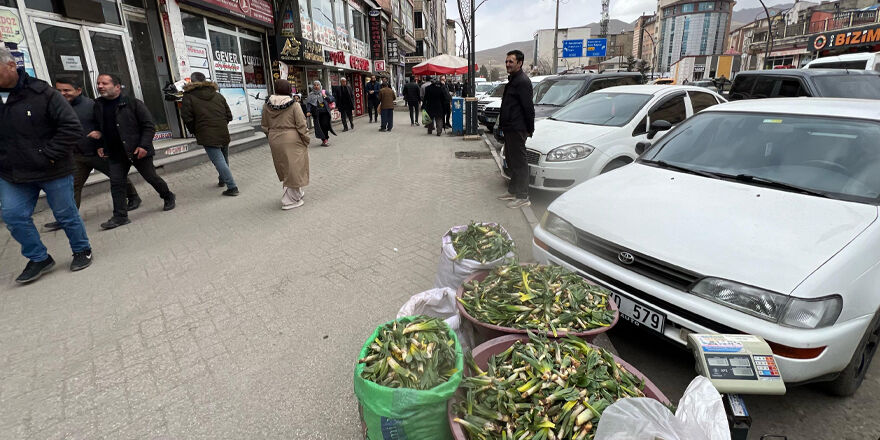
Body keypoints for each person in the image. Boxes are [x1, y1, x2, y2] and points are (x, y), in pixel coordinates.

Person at [0, 46, 93, 283]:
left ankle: (82, 249)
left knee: (65, 213)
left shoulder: (43, 93)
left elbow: (71, 128)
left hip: (52, 168)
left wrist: (47, 155)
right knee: (13, 216)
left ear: (11, 65)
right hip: (12, 172)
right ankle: (39, 258)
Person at [43, 77, 141, 232]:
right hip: (76, 155)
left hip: (97, 153)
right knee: (73, 186)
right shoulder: (56, 107)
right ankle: (67, 218)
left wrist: (102, 141)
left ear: (78, 90)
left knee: (117, 178)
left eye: (66, 90)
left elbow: (108, 125)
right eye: (59, 90)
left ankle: (134, 197)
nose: (62, 94)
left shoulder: (92, 105)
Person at [95, 73, 176, 230]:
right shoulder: (98, 105)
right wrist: (100, 144)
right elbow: (99, 128)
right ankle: (120, 216)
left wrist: (144, 146)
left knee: (151, 177)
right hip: (115, 153)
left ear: (117, 87)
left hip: (137, 150)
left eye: (104, 83)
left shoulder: (133, 103)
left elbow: (148, 126)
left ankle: (168, 196)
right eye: (98, 83)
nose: (100, 86)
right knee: (117, 184)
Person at [180, 71, 239, 196]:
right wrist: (221, 124)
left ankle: (232, 187)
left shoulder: (188, 97)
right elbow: (229, 115)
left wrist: (195, 130)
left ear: (191, 81)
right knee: (223, 158)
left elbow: (187, 118)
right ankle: (223, 180)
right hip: (222, 130)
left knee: (218, 160)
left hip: (206, 133)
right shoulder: (217, 95)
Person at [261, 79, 310, 210]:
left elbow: (264, 125)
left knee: (284, 166)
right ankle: (289, 200)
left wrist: (271, 135)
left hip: (274, 138)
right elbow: (301, 124)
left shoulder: (267, 105)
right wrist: (306, 138)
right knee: (295, 167)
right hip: (292, 137)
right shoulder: (294, 105)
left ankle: (296, 192)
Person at [497, 49, 535, 209]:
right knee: (512, 161)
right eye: (506, 61)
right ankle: (513, 191)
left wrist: (529, 129)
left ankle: (523, 196)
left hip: (517, 128)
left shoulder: (523, 82)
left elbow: (528, 108)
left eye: (511, 61)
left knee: (520, 163)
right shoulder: (513, 80)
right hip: (509, 128)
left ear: (520, 63)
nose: (507, 64)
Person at [305, 80, 336, 146]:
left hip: (325, 112)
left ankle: (326, 138)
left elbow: (332, 99)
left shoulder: (324, 92)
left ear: (320, 85)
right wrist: (308, 111)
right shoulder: (311, 95)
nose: (316, 86)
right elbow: (309, 104)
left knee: (325, 125)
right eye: (315, 85)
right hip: (316, 113)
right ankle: (324, 140)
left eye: (317, 85)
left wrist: (325, 96)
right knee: (319, 127)